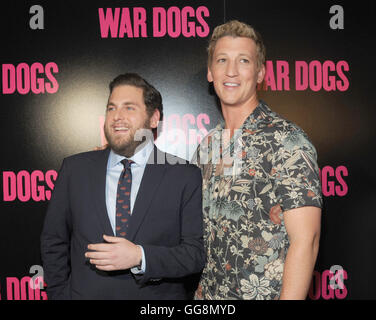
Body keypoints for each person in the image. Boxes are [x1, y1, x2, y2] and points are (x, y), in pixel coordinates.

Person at [40, 73, 205, 300]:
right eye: (111, 108)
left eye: (129, 108)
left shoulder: (184, 175)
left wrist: (140, 256)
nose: (117, 116)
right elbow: (53, 241)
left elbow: (194, 254)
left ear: (154, 118)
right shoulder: (75, 170)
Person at [193, 20, 322, 300]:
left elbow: (306, 240)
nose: (231, 71)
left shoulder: (287, 141)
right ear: (210, 72)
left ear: (260, 72)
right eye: (222, 60)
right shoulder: (207, 147)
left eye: (243, 61)